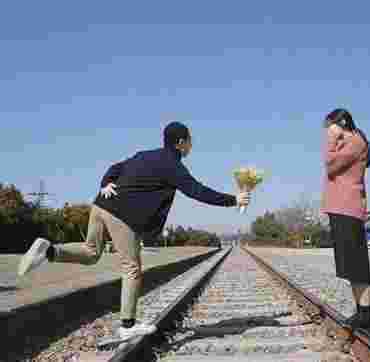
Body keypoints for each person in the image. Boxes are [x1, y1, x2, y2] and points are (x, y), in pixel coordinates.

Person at [18, 121, 251, 340]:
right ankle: (127, 326)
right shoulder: (173, 165)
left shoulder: (145, 155)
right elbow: (198, 191)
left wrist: (105, 182)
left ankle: (48, 251)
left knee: (91, 252)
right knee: (132, 269)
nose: (191, 144)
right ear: (180, 142)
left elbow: (115, 167)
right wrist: (234, 199)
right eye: (189, 140)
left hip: (101, 204)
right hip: (123, 216)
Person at [321, 108, 370, 329]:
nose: (328, 131)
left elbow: (330, 166)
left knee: (356, 264)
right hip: (341, 206)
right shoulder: (350, 142)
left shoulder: (354, 141)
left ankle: (365, 314)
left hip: (348, 207)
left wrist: (332, 140)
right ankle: (362, 312)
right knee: (351, 265)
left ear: (340, 122)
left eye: (330, 126)